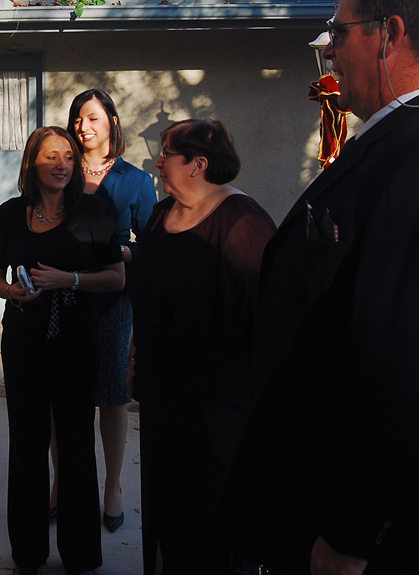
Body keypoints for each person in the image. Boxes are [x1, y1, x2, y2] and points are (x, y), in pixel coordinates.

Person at [223, 0, 419, 575]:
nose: (328, 48)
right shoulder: (392, 142)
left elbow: (409, 369)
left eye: (338, 30)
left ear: (387, 35)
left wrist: (351, 534)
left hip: (374, 542)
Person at [126, 118, 276, 575]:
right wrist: (134, 357)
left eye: (167, 153)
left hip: (216, 410)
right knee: (168, 518)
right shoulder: (159, 216)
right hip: (161, 400)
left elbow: (265, 322)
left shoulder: (244, 224)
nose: (157, 160)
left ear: (198, 164)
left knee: (208, 527)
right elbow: (146, 297)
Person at [0, 126, 126, 575]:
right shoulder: (10, 213)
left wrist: (71, 280)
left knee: (76, 443)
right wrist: (11, 290)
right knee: (26, 445)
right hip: (23, 340)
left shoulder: (93, 210)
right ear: (32, 164)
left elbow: (117, 277)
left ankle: (81, 555)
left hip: (74, 340)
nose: (63, 164)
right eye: (52, 157)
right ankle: (27, 553)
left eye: (68, 156)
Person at [52, 88, 155, 532]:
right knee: (62, 395)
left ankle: (113, 486)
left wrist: (123, 252)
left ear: (112, 121)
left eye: (92, 118)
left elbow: (153, 245)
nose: (83, 127)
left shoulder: (135, 180)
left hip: (112, 299)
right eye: (78, 118)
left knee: (112, 395)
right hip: (61, 296)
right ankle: (62, 482)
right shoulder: (60, 173)